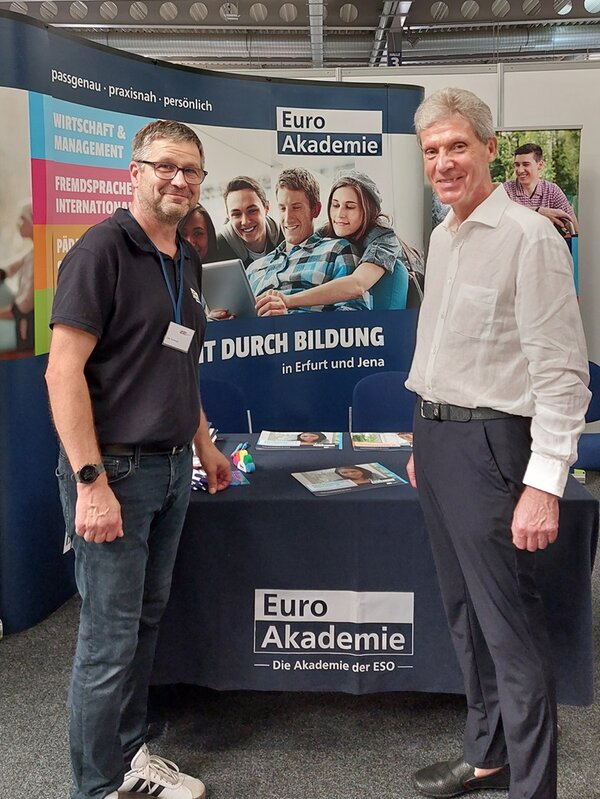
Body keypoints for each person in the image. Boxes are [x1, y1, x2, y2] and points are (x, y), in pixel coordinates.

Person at [405, 88, 589, 799]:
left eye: (457, 146)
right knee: (464, 615)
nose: (444, 161)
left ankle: (533, 788)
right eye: (432, 150)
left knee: (509, 630)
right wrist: (427, 431)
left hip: (494, 446)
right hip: (441, 437)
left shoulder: (529, 236)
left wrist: (545, 483)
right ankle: (487, 754)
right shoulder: (446, 237)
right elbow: (447, 349)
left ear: (490, 148)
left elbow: (563, 374)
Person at [45, 119, 231, 799]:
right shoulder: (100, 250)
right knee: (106, 639)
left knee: (143, 624)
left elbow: (179, 362)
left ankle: (131, 759)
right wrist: (91, 482)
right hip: (114, 472)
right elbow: (62, 374)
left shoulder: (184, 254)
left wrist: (204, 443)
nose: (178, 179)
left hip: (173, 467)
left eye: (191, 170)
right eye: (165, 166)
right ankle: (95, 787)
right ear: (134, 171)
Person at [256, 170, 411, 314]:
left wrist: (288, 301)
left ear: (367, 210)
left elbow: (357, 284)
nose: (339, 214)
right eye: (335, 205)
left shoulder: (383, 239)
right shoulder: (325, 233)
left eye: (350, 207)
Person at [248, 167, 367, 314]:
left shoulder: (337, 251)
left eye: (296, 207)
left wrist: (292, 323)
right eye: (282, 208)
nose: (287, 218)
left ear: (315, 210)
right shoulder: (254, 269)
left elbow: (354, 317)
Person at [503, 142, 579, 233]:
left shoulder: (552, 190)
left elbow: (574, 227)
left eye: (526, 164)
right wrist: (539, 211)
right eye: (517, 165)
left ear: (540, 165)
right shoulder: (506, 189)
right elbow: (500, 214)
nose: (520, 170)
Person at [216, 175, 283, 267]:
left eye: (252, 211)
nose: (245, 222)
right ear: (228, 216)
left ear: (266, 208)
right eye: (237, 214)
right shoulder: (217, 249)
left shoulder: (286, 238)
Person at [0, 200, 34, 351]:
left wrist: (5, 313)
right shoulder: (32, 253)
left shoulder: (39, 257)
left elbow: (25, 304)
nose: (19, 224)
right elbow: (11, 267)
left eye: (23, 219)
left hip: (27, 324)